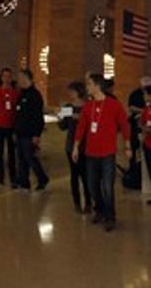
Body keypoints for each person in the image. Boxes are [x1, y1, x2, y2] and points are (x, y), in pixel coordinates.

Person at [73, 73, 131, 231]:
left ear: (97, 86)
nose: (87, 87)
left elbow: (125, 125)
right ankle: (100, 210)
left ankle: (110, 216)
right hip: (90, 153)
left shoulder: (114, 105)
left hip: (107, 153)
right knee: (92, 185)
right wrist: (76, 146)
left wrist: (127, 145)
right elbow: (82, 127)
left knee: (107, 186)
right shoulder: (88, 106)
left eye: (89, 84)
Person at [59, 81, 92, 213]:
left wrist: (79, 117)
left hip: (86, 145)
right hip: (71, 144)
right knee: (74, 175)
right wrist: (60, 115)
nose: (70, 94)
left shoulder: (88, 106)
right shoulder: (68, 107)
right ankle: (77, 202)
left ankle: (89, 202)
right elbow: (62, 126)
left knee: (86, 175)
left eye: (72, 91)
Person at [14, 69, 48, 191]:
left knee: (30, 158)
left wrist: (36, 134)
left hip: (29, 133)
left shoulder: (34, 95)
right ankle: (24, 182)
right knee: (21, 158)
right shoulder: (21, 94)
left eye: (21, 78)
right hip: (20, 131)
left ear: (27, 78)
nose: (19, 81)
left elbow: (38, 117)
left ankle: (42, 178)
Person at [0, 68, 18, 186]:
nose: (7, 78)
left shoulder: (15, 93)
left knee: (12, 153)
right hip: (0, 125)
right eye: (4, 76)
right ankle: (0, 177)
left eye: (9, 76)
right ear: (1, 78)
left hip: (11, 126)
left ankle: (13, 176)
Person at [123, 76, 151, 191]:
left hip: (148, 126)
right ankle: (133, 170)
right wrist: (143, 111)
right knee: (135, 148)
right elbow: (131, 107)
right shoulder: (135, 94)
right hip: (136, 125)